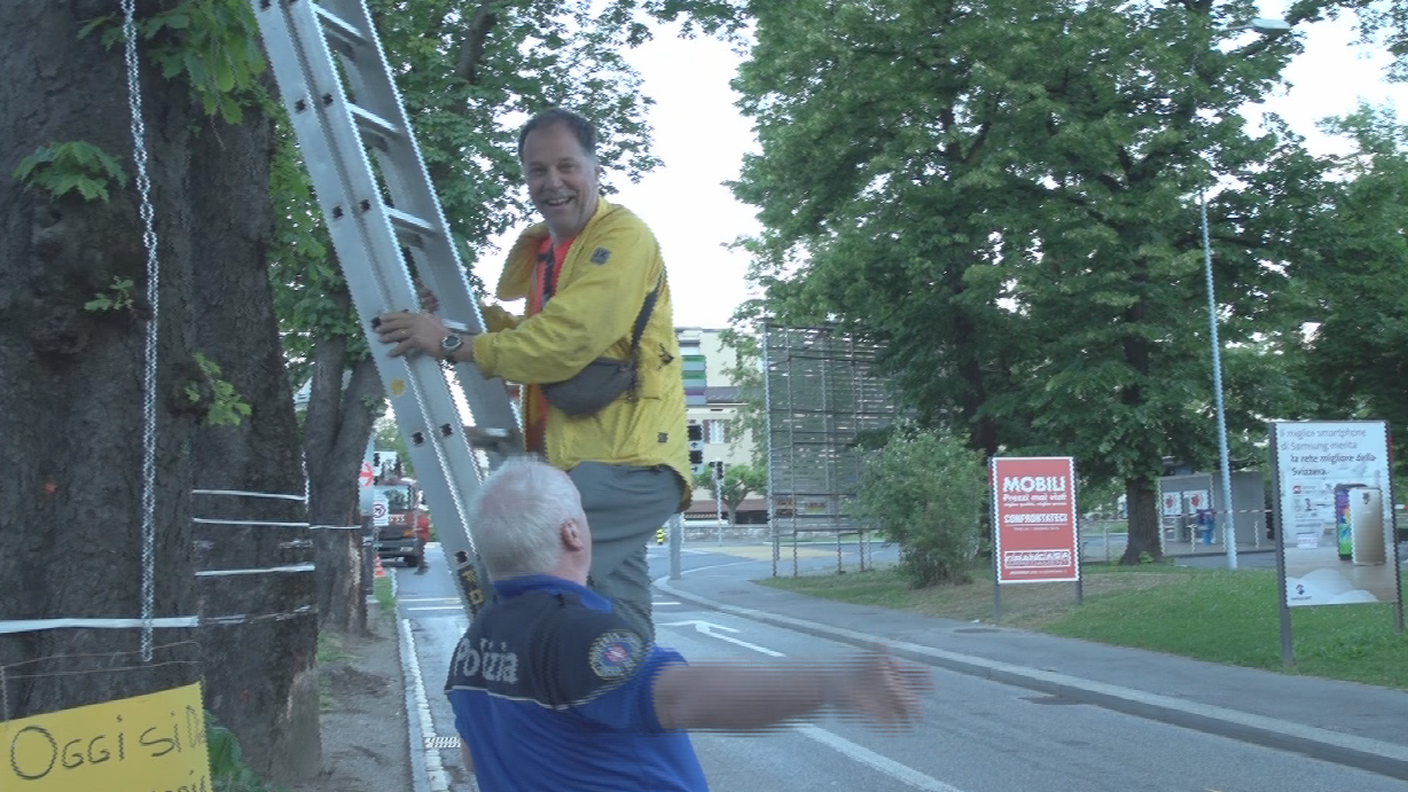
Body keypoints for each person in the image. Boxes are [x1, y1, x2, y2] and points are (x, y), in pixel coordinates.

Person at [376, 108, 688, 641]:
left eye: (567, 166)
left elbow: (564, 341)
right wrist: (452, 315)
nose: (553, 183)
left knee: (519, 574)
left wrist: (451, 343)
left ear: (594, 168)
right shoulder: (551, 252)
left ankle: (514, 710)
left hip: (627, 464)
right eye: (537, 171)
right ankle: (637, 705)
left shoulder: (624, 238)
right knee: (619, 623)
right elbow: (531, 331)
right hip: (582, 464)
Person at [445, 458, 930, 791]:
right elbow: (685, 695)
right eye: (582, 514)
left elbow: (474, 757)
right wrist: (830, 682)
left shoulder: (472, 648)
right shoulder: (574, 636)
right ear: (572, 533)